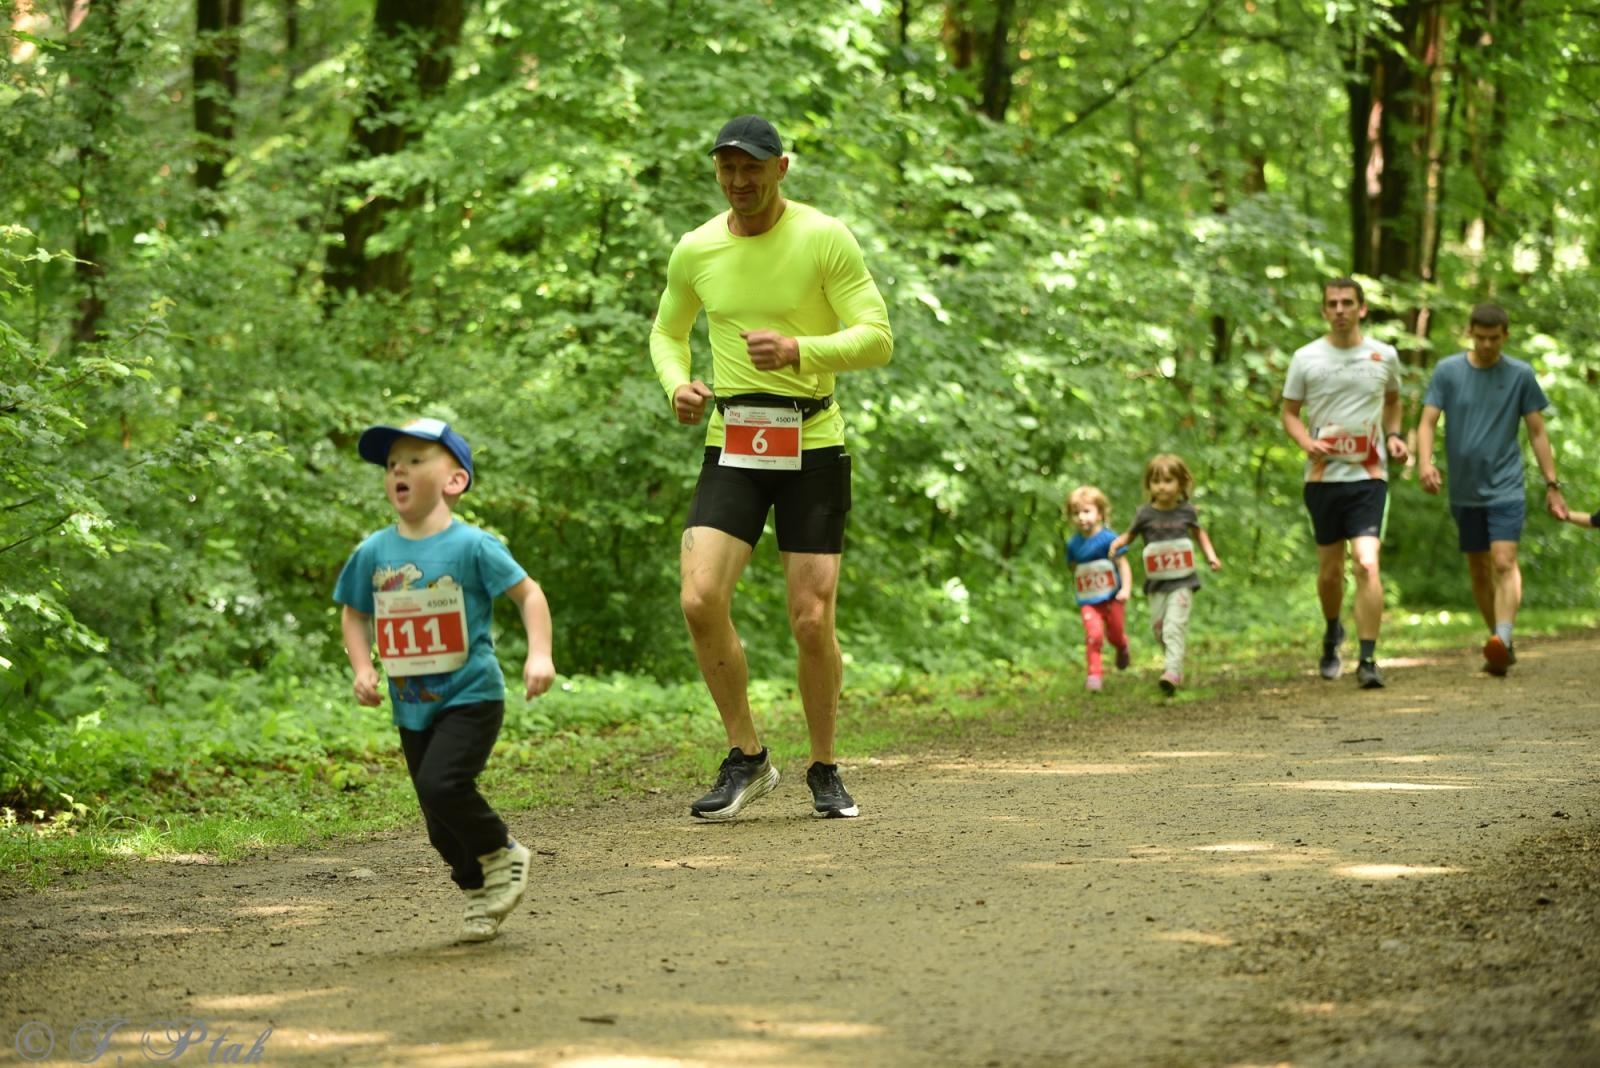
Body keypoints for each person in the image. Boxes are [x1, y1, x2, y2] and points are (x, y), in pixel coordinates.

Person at [648, 115, 893, 821]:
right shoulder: (696, 248)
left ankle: (825, 766)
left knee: (811, 618)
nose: (738, 181)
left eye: (751, 167)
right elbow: (667, 332)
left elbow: (877, 338)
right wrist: (677, 384)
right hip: (734, 441)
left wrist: (799, 351)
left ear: (780, 168)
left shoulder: (823, 237)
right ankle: (747, 756)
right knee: (700, 598)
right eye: (727, 168)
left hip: (812, 440)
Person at [333, 419, 555, 942]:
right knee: (437, 821)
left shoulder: (473, 546)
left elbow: (529, 594)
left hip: (471, 694)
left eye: (414, 460)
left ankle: (504, 851)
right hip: (412, 704)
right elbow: (353, 614)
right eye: (392, 464)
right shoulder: (374, 552)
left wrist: (539, 655)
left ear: (455, 480)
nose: (399, 471)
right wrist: (363, 668)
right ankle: (480, 891)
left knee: (442, 784)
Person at [1416, 303, 1568, 675]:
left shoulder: (1520, 375)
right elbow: (1428, 421)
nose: (1486, 345)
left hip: (1506, 486)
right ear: (1470, 332)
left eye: (1494, 339)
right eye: (1480, 337)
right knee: (1480, 570)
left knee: (1503, 561)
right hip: (1464, 490)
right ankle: (1498, 644)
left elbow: (1537, 431)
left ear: (1505, 336)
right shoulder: (1448, 371)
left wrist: (1552, 483)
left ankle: (1503, 635)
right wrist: (1424, 463)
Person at [1280, 277, 1408, 689]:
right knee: (1330, 572)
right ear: (1324, 310)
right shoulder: (1305, 358)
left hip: (1369, 476)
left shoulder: (1384, 355)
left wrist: (1393, 436)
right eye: (1332, 303)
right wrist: (1306, 442)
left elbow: (1393, 402)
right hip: (1323, 479)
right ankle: (1333, 630)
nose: (1340, 310)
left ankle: (1367, 659)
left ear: (1362, 308)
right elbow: (1289, 413)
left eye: (1347, 303)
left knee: (1367, 563)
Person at [1108, 454, 1222, 695]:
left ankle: (1172, 671)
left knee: (1173, 627)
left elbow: (1199, 534)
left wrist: (1211, 556)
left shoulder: (1187, 512)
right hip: (1157, 583)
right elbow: (1131, 534)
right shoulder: (1144, 514)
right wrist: (1119, 542)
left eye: (1168, 481)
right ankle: (1174, 661)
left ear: (1181, 484)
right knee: (1159, 630)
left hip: (1183, 582)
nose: (1162, 486)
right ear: (1149, 485)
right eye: (1156, 481)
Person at [1064, 485, 1133, 692]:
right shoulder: (1073, 545)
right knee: (1093, 636)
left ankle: (1122, 646)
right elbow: (1074, 568)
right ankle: (1094, 675)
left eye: (1086, 511)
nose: (1081, 517)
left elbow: (1122, 564)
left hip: (1112, 598)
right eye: (1076, 513)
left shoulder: (1109, 539)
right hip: (1089, 601)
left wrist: (1125, 589)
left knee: (1115, 634)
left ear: (1099, 513)